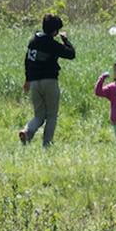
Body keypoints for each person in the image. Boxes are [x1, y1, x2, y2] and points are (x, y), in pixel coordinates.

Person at [20, 14, 75, 147]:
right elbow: (71, 54)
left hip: (34, 82)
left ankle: (27, 131)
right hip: (49, 81)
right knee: (51, 115)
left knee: (39, 115)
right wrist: (66, 40)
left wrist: (27, 79)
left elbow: (27, 61)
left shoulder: (33, 41)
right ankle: (47, 144)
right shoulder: (52, 44)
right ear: (55, 31)